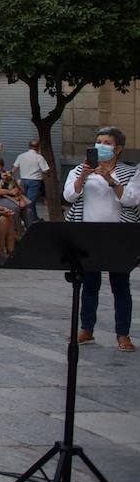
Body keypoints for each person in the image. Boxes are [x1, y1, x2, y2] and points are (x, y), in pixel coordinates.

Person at [64, 126, 137, 352]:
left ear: (118, 148)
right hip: (89, 233)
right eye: (99, 141)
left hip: (118, 235)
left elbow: (132, 200)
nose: (101, 146)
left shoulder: (129, 172)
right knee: (89, 284)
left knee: (121, 285)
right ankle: (87, 328)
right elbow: (69, 196)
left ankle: (123, 334)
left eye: (106, 142)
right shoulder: (79, 170)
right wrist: (84, 176)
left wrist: (110, 179)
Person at [13, 139, 50, 223]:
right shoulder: (39, 157)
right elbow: (46, 170)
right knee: (30, 202)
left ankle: (34, 218)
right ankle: (30, 220)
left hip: (23, 181)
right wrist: (48, 174)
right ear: (38, 147)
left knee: (24, 200)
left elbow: (14, 168)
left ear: (29, 146)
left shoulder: (21, 156)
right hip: (35, 181)